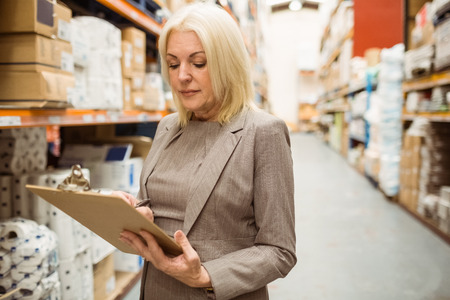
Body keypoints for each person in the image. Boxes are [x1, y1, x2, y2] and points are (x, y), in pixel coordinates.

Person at [115, 2, 296, 299]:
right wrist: (132, 212)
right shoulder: (168, 127)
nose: (182, 76)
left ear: (228, 63)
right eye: (173, 64)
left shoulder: (263, 133)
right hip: (158, 289)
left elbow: (279, 251)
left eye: (198, 63)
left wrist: (206, 276)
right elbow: (166, 202)